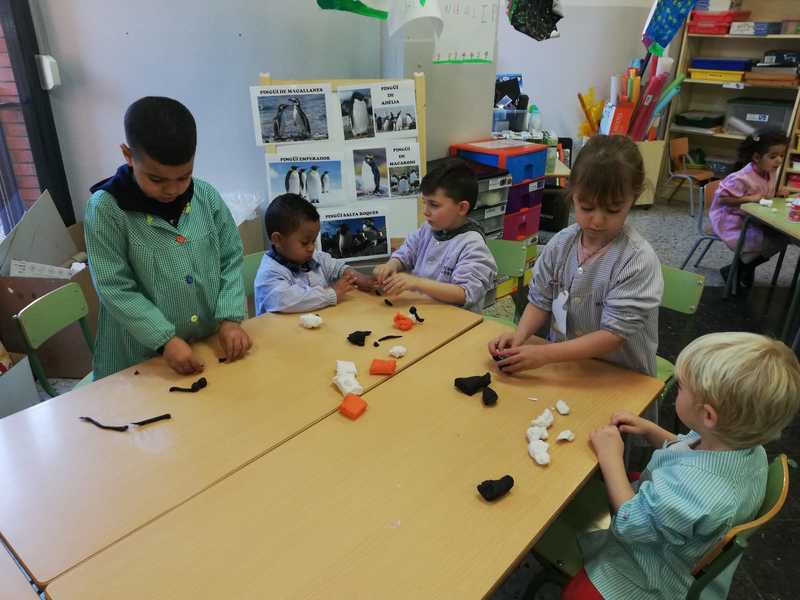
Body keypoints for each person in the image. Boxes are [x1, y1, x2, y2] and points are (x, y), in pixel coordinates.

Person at [564, 332, 800, 600]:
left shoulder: (695, 493)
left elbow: (630, 522)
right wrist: (651, 430)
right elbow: (689, 450)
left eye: (681, 387)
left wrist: (611, 457)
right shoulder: (744, 445)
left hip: (649, 575)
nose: (677, 389)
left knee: (577, 595)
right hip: (677, 530)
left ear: (708, 415)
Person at [85, 96, 251, 380]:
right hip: (138, 360)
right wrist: (164, 339)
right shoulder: (106, 210)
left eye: (184, 177)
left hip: (206, 345)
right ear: (128, 155)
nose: (172, 190)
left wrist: (230, 318)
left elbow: (230, 259)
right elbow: (114, 286)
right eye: (157, 179)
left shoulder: (206, 197)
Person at [488, 135, 662, 376]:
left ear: (634, 197)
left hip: (621, 377)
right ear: (572, 194)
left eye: (613, 209)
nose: (597, 220)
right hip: (567, 366)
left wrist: (543, 354)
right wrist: (519, 337)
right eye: (586, 207)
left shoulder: (637, 261)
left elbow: (612, 335)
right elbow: (540, 301)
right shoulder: (560, 244)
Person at [372, 159, 497, 313]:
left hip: (455, 319)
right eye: (424, 202)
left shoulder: (472, 245)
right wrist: (391, 265)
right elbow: (407, 253)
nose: (425, 211)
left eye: (434, 205)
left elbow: (465, 294)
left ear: (462, 208)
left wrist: (416, 283)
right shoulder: (427, 229)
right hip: (423, 312)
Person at [254, 193, 374, 314]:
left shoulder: (313, 256)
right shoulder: (269, 273)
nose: (311, 248)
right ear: (278, 240)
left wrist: (361, 279)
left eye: (313, 241)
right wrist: (331, 293)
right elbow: (286, 301)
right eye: (305, 243)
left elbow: (336, 267)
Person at [710, 127, 791, 287]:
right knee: (767, 242)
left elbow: (764, 191)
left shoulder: (769, 171)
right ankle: (736, 270)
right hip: (731, 220)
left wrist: (776, 192)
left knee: (782, 238)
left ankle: (741, 269)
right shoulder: (741, 177)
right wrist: (749, 198)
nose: (779, 160)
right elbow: (722, 198)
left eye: (782, 155)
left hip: (753, 218)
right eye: (773, 156)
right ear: (756, 157)